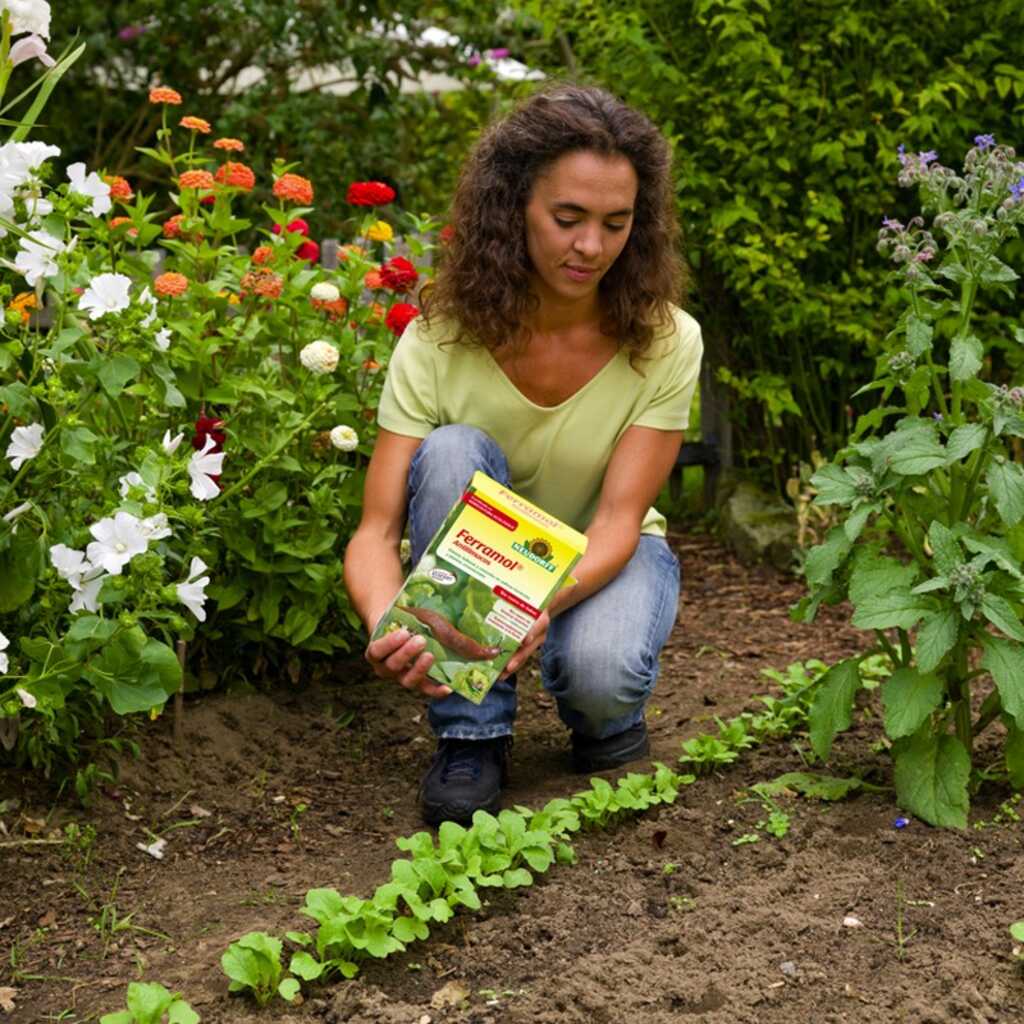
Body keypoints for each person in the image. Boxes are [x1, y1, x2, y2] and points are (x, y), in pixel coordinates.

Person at [343, 84, 703, 826]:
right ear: (514, 208)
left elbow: (617, 521)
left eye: (616, 223)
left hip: (603, 554)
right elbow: (377, 530)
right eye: (567, 218)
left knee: (599, 679)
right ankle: (472, 738)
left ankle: (604, 720)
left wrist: (532, 604)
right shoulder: (439, 340)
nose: (592, 247)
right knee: (451, 451)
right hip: (479, 556)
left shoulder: (668, 339)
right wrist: (389, 624)